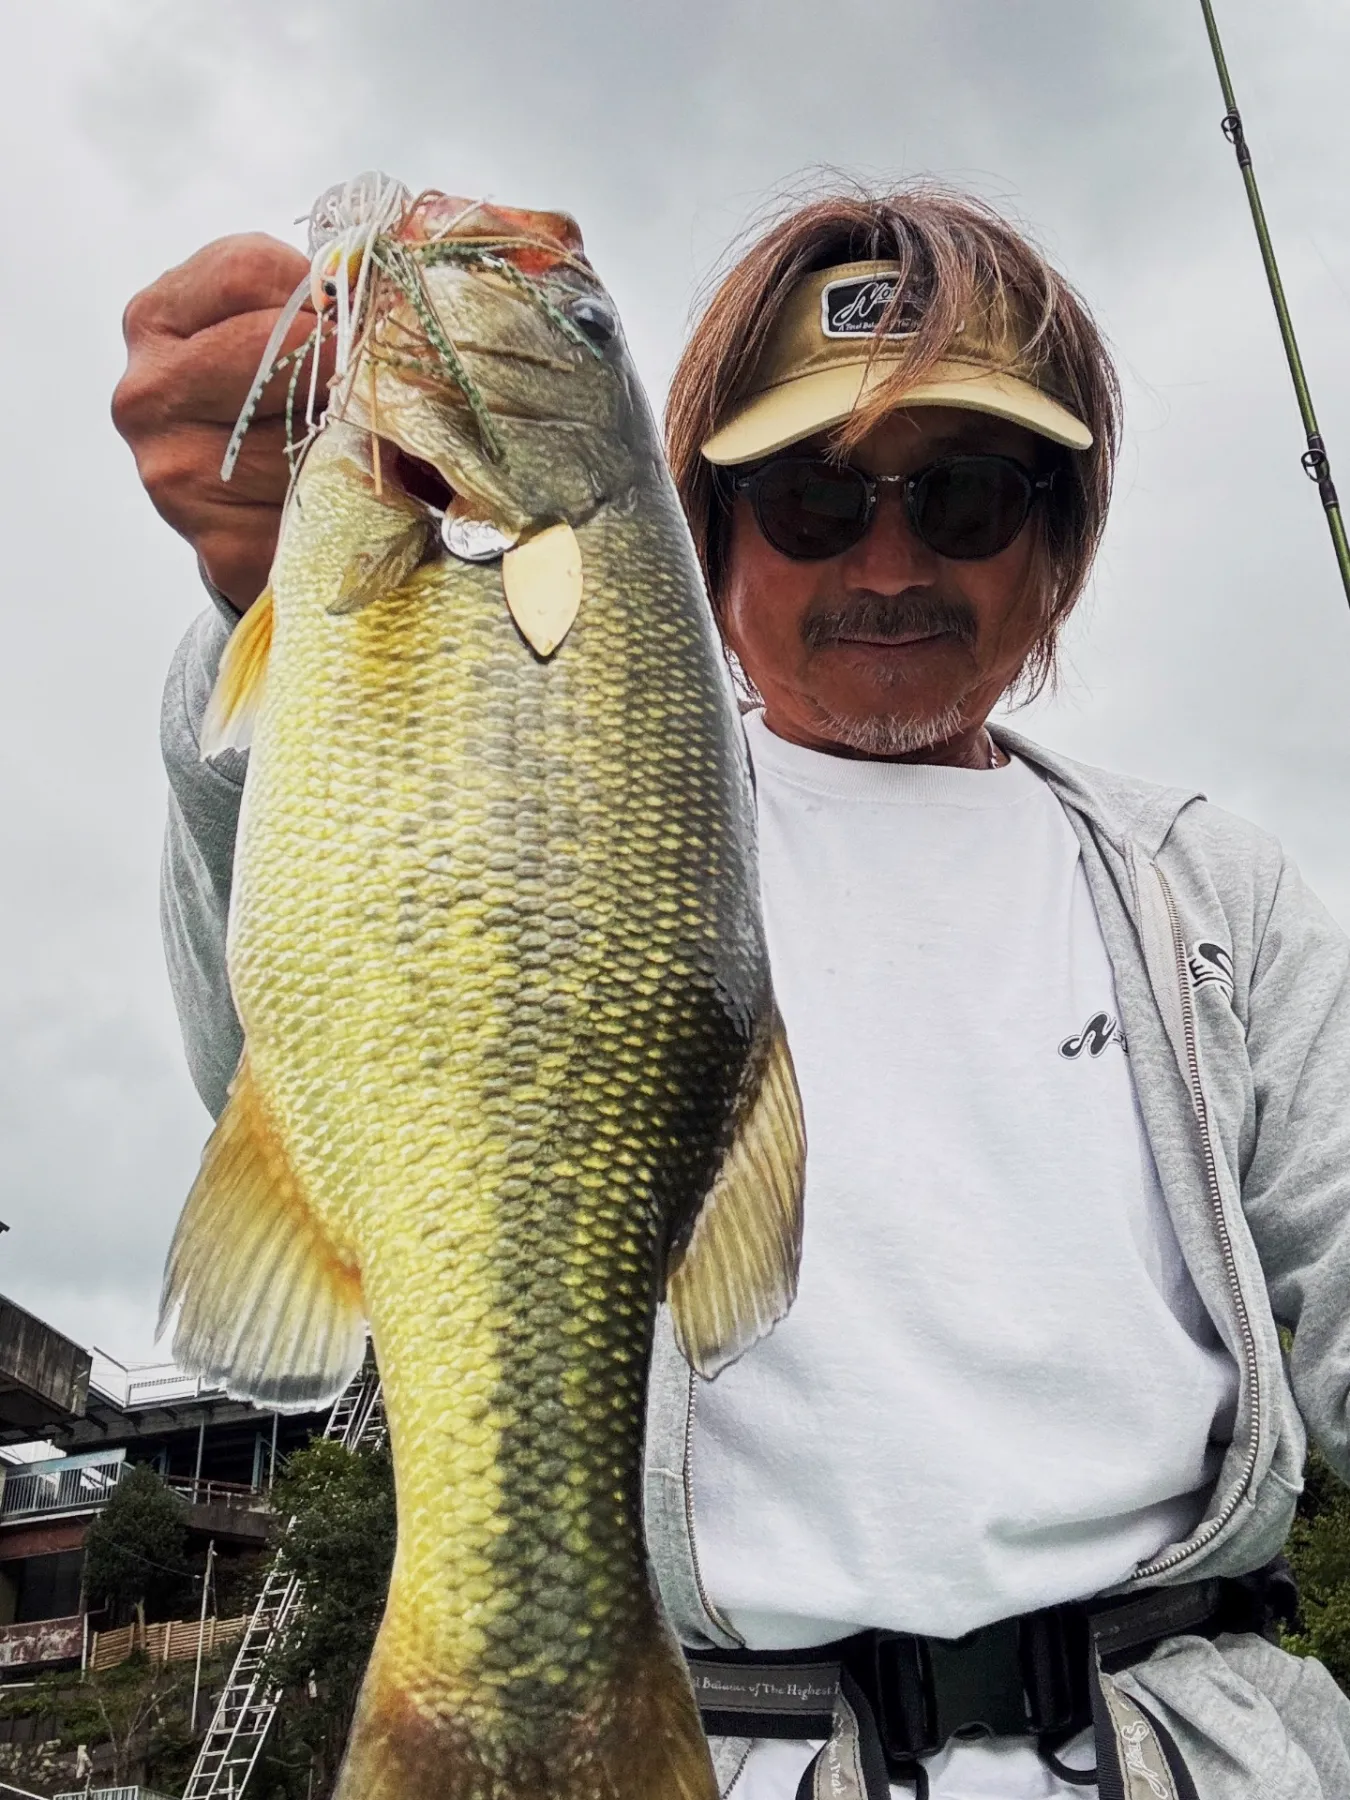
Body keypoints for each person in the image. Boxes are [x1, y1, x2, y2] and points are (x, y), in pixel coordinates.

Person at [114, 184, 1350, 1799]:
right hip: (704, 1746)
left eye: (968, 496)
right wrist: (245, 590)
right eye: (814, 500)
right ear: (700, 523)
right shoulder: (565, 781)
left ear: (1062, 535)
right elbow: (271, 1008)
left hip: (1201, 1750)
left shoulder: (1212, 892)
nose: (892, 559)